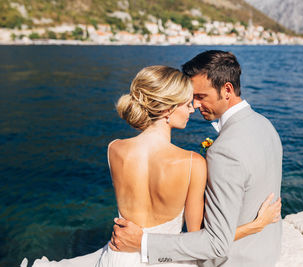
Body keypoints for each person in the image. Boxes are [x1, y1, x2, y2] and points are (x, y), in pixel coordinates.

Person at [23, 65, 281, 267]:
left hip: (118, 258)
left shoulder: (114, 149)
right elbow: (200, 239)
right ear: (168, 109)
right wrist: (254, 226)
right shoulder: (192, 163)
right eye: (186, 102)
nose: (192, 108)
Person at [111, 51, 283, 267]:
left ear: (227, 90)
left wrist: (144, 243)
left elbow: (216, 243)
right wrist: (257, 225)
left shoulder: (224, 151)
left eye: (201, 96)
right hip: (268, 252)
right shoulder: (265, 125)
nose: (195, 105)